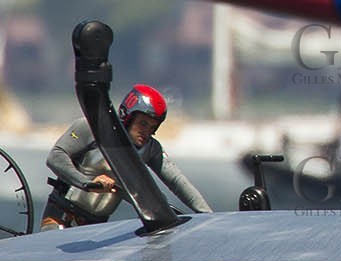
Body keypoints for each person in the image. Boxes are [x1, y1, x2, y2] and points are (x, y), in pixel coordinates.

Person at [40, 84, 212, 229]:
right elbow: (55, 157)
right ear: (127, 116)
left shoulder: (151, 149)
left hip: (96, 225)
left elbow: (177, 181)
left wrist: (209, 217)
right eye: (143, 123)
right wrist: (87, 182)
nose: (146, 132)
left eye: (152, 127)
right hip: (62, 214)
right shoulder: (89, 127)